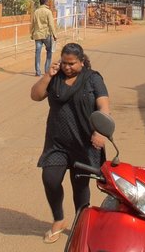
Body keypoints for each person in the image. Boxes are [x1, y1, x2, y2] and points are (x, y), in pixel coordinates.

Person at [30, 42, 110, 244]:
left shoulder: (93, 79)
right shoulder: (55, 78)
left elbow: (103, 106)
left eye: (72, 63)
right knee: (50, 179)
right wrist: (48, 75)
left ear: (82, 62)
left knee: (80, 186)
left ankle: (81, 223)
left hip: (83, 141)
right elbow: (36, 95)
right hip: (57, 142)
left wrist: (100, 131)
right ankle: (59, 219)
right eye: (64, 63)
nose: (67, 67)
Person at [30, 0, 57, 76]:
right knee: (49, 51)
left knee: (37, 53)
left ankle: (38, 72)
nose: (48, 3)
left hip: (37, 35)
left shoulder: (36, 12)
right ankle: (46, 70)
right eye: (47, 2)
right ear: (45, 2)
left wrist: (31, 33)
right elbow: (51, 24)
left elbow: (33, 24)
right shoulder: (48, 12)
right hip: (46, 35)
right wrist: (54, 35)